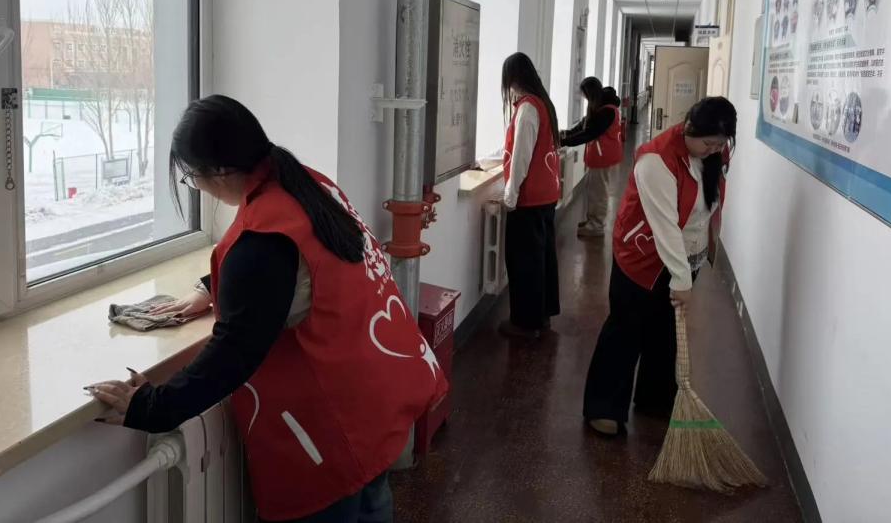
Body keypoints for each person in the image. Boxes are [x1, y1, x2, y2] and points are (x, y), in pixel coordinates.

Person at [88, 95, 447, 523]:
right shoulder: (307, 184)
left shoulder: (262, 239)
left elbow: (233, 354)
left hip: (334, 434)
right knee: (373, 505)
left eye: (191, 177)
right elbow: (308, 268)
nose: (196, 186)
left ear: (220, 171)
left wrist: (151, 407)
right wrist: (212, 287)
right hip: (375, 402)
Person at [583, 97, 737, 437]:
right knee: (627, 328)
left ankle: (654, 398)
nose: (714, 150)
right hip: (642, 257)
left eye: (720, 144)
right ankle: (603, 405)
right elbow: (665, 227)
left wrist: (689, 268)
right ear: (690, 128)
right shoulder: (656, 161)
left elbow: (705, 211)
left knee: (665, 330)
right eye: (708, 143)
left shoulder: (713, 155)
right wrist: (681, 280)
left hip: (684, 258)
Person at [499, 52, 562, 340]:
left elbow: (521, 159)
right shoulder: (543, 104)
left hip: (530, 198)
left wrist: (510, 197)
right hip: (547, 195)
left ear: (513, 78)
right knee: (543, 257)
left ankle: (525, 324)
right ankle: (542, 316)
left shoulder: (527, 109)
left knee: (524, 262)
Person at [561, 76, 624, 238]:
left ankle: (596, 225)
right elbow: (583, 126)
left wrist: (565, 141)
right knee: (593, 191)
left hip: (604, 158)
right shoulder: (599, 107)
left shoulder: (607, 111)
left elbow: (589, 133)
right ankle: (592, 221)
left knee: (599, 193)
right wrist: (565, 134)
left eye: (585, 95)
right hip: (598, 157)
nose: (584, 98)